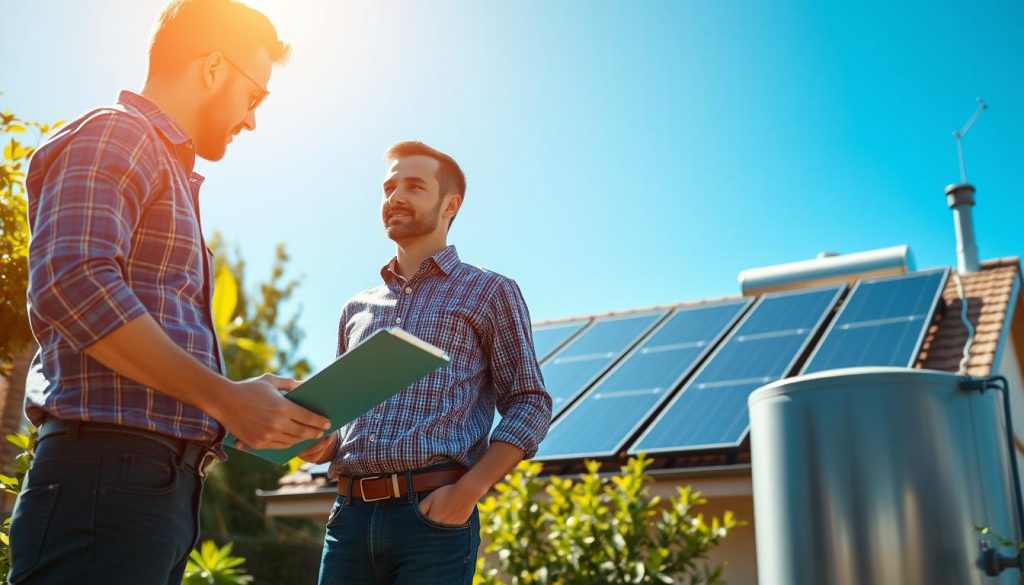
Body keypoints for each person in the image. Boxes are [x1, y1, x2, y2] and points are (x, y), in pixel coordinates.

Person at [8, 1, 331, 583]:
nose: (252, 119)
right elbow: (72, 283)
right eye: (254, 96)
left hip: (150, 487)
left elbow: (145, 376)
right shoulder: (116, 133)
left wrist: (256, 409)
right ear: (212, 67)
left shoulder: (162, 166)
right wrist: (226, 398)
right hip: (107, 479)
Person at [300, 141, 552, 585]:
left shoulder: (490, 292)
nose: (395, 197)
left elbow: (530, 402)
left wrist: (468, 492)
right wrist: (321, 444)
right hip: (348, 519)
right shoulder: (355, 309)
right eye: (389, 187)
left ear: (449, 205)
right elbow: (343, 424)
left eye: (414, 186)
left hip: (433, 517)